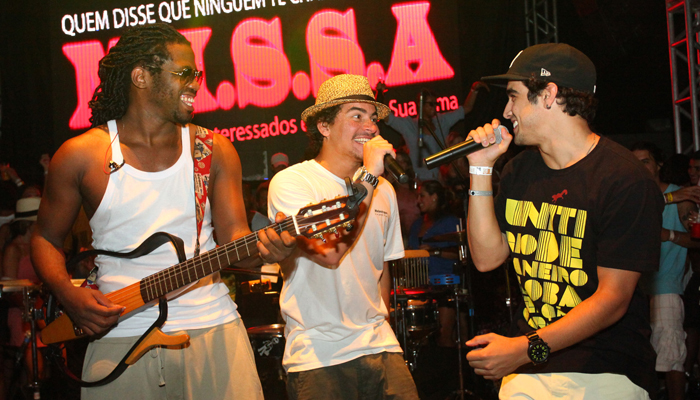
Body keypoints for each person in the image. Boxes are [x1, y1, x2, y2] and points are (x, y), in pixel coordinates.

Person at [30, 23, 295, 399]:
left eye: (197, 74)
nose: (195, 84)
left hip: (212, 327)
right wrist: (67, 295)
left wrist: (268, 247)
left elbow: (236, 239)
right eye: (184, 73)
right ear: (141, 76)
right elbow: (44, 238)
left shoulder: (214, 150)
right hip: (118, 334)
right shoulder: (82, 155)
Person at [464, 43, 662, 399]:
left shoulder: (623, 179)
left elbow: (613, 299)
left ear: (549, 94)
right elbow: (486, 259)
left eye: (514, 96)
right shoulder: (518, 171)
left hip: (605, 368)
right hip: (530, 369)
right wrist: (480, 168)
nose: (506, 111)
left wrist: (524, 349)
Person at [268, 74, 419, 399]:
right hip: (319, 354)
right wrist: (367, 177)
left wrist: (385, 323)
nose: (371, 127)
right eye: (356, 115)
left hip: (380, 345)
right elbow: (329, 251)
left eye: (373, 118)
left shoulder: (384, 191)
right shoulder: (294, 182)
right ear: (324, 126)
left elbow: (381, 269)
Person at [633, 142, 699, 400]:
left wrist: (668, 235)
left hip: (666, 286)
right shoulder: (635, 196)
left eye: (645, 161)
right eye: (634, 162)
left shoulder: (681, 197)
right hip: (635, 289)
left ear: (658, 164)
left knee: (672, 354)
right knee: (644, 352)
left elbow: (696, 239)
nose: (640, 168)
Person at [378, 81, 488, 183]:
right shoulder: (409, 125)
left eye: (436, 104)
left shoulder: (442, 121)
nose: (434, 107)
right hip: (420, 182)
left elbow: (466, 108)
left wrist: (474, 89)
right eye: (430, 104)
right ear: (420, 105)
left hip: (442, 181)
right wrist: (380, 94)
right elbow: (385, 116)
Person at [407, 180, 461, 347]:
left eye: (422, 196)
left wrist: (435, 251)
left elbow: (460, 255)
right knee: (423, 337)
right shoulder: (417, 224)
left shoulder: (450, 222)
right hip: (421, 286)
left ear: (434, 197)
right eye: (417, 196)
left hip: (445, 284)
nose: (418, 201)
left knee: (444, 335)